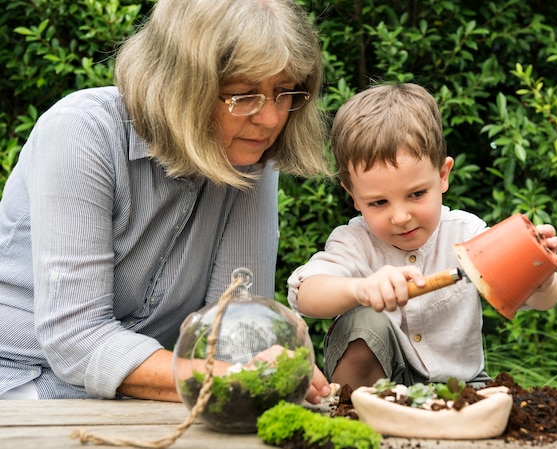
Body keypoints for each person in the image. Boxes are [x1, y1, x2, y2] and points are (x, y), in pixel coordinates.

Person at [0, 0, 332, 403]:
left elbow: (232, 325)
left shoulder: (249, 154)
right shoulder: (81, 132)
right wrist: (227, 379)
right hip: (19, 379)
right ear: (181, 86)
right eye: (243, 95)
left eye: (284, 92)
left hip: (136, 396)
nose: (271, 119)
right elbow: (77, 337)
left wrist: (264, 363)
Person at [287, 83, 557, 390]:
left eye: (417, 194)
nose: (401, 216)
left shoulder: (467, 234)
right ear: (354, 196)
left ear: (442, 175)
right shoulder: (354, 242)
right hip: (382, 387)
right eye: (378, 202)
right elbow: (305, 294)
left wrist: (540, 276)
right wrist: (361, 289)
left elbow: (543, 301)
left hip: (461, 386)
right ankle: (354, 417)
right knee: (364, 321)